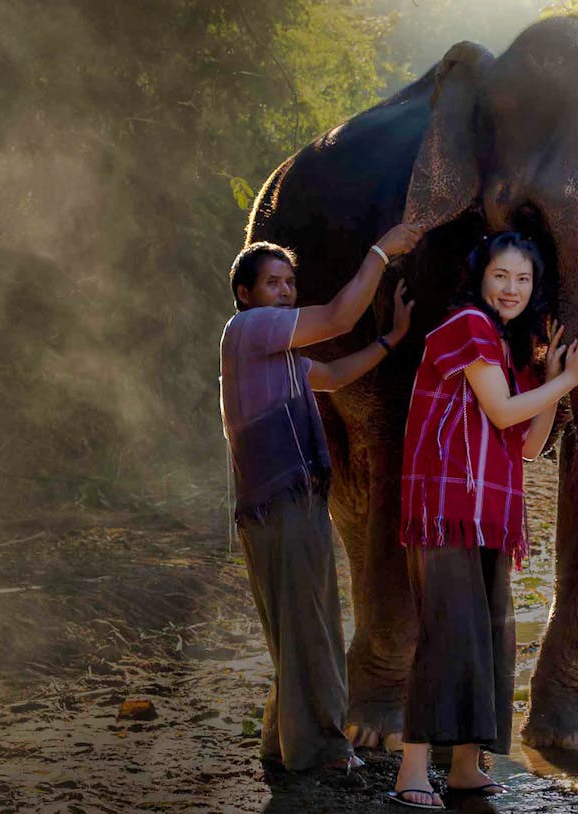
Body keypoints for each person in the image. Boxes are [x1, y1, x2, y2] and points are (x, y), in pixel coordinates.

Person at [391, 232, 578, 809]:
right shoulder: (467, 325)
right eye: (501, 276)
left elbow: (528, 444)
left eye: (523, 280)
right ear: (479, 279)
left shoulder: (504, 351)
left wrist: (552, 379)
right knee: (446, 637)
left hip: (485, 517)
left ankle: (466, 766)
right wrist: (570, 379)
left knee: (488, 638)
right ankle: (412, 772)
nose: (511, 289)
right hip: (447, 511)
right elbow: (501, 410)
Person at [219, 222, 422, 773]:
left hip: (291, 502)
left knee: (298, 624)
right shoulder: (251, 330)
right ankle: (323, 750)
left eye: (289, 283)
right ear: (246, 294)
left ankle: (282, 741)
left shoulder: (276, 354)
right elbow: (337, 317)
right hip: (280, 503)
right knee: (311, 626)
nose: (285, 292)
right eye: (272, 283)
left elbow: (331, 375)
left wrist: (392, 340)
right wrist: (383, 249)